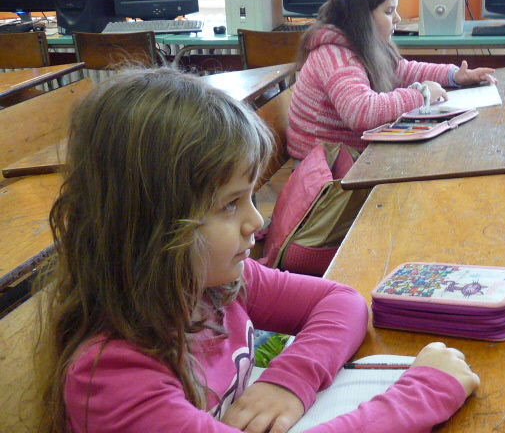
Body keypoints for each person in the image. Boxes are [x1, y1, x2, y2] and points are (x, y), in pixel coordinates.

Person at [33, 67, 479, 433]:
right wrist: (425, 391)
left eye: (250, 197)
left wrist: (291, 380)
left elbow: (341, 301)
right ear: (150, 222)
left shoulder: (211, 283)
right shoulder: (113, 376)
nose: (257, 222)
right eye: (230, 204)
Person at [287, 0, 497, 160]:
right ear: (361, 16)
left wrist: (455, 75)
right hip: (322, 166)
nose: (397, 18)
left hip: (348, 154)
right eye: (389, 11)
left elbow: (403, 71)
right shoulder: (334, 55)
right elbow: (361, 112)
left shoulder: (361, 44)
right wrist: (420, 95)